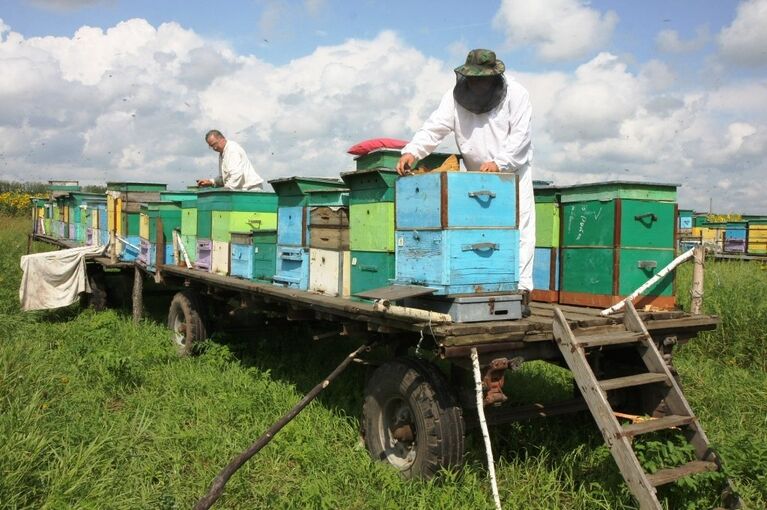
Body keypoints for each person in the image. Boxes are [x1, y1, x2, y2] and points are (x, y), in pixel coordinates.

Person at [396, 49, 535, 317]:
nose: (477, 84)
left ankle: (520, 293)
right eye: (473, 78)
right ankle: (480, 287)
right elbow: (435, 126)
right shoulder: (454, 97)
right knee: (479, 235)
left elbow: (521, 137)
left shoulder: (517, 94)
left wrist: (500, 162)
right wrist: (411, 151)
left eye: (482, 79)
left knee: (518, 232)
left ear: (495, 77)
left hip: (512, 177)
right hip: (474, 178)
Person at [197, 130, 264, 191]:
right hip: (241, 190)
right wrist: (211, 182)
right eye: (211, 146)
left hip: (250, 189)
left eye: (215, 144)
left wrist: (225, 190)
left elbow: (237, 174)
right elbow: (225, 178)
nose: (215, 147)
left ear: (222, 138)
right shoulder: (222, 153)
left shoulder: (232, 150)